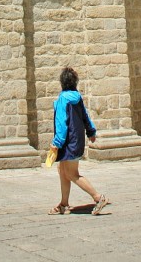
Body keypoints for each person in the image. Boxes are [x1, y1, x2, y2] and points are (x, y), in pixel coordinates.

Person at [47, 67, 108, 216]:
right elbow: (85, 116)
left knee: (72, 173)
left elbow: (62, 124)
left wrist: (57, 143)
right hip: (77, 140)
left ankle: (98, 197)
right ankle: (64, 204)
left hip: (68, 142)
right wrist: (91, 132)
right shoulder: (77, 97)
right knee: (62, 170)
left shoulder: (63, 100)